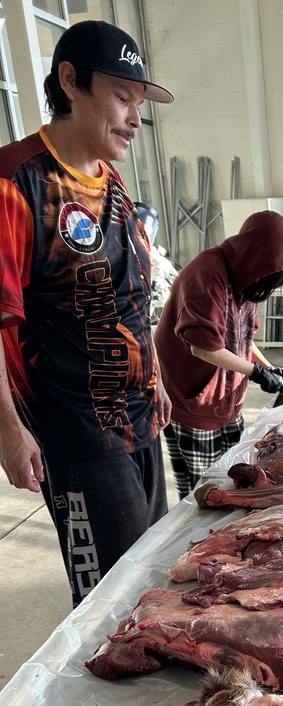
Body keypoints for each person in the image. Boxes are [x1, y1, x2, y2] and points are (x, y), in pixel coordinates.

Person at [0, 20, 174, 606]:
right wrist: (8, 430)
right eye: (123, 96)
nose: (134, 117)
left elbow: (132, 295)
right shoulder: (16, 182)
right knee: (108, 605)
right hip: (77, 433)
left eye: (140, 103)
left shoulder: (115, 186)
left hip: (142, 421)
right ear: (70, 81)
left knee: (151, 582)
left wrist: (157, 379)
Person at [154, 210, 283, 500]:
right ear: (255, 256)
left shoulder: (246, 276)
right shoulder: (207, 273)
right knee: (205, 488)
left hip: (225, 394)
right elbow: (203, 346)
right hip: (193, 393)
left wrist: (270, 368)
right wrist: (256, 372)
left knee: (231, 472)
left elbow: (242, 339)